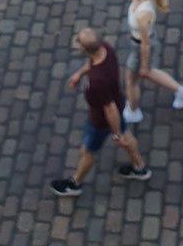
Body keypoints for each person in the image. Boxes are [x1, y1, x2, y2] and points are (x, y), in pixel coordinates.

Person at [50, 27, 151, 197]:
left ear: (84, 48)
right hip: (117, 104)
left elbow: (109, 109)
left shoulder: (98, 81)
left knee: (88, 151)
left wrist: (116, 134)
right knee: (126, 134)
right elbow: (91, 61)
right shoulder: (105, 49)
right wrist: (79, 73)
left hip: (100, 122)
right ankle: (139, 167)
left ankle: (74, 183)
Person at [122, 0, 183, 124]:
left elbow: (145, 44)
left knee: (131, 80)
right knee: (150, 73)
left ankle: (132, 111)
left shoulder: (143, 14)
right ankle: (182, 91)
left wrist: (142, 65)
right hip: (139, 43)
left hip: (139, 47)